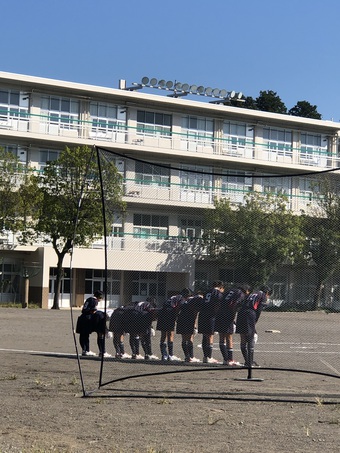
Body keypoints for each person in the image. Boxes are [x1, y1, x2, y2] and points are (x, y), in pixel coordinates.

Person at [235, 285, 272, 367]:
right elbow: (259, 310)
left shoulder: (252, 293)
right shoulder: (262, 295)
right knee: (252, 337)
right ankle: (250, 362)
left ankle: (247, 361)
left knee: (243, 337)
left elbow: (241, 303)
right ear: (267, 293)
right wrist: (255, 320)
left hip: (241, 313)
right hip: (250, 313)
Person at [215, 284, 251, 366]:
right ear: (246, 290)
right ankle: (230, 359)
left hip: (219, 313)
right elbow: (235, 304)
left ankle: (225, 359)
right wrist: (233, 316)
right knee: (229, 337)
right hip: (228, 314)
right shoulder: (240, 294)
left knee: (221, 337)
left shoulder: (229, 291)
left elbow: (220, 300)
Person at [156, 289, 191, 361]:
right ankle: (170, 355)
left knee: (163, 335)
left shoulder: (173, 297)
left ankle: (164, 355)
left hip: (162, 313)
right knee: (170, 334)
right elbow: (178, 307)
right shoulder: (182, 298)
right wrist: (176, 317)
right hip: (169, 313)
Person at [76, 290, 111, 357]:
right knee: (86, 335)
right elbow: (93, 311)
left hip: (83, 318)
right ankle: (88, 350)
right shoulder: (94, 301)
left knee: (84, 335)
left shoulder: (89, 299)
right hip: (87, 318)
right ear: (100, 297)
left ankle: (85, 350)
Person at [197, 281, 225, 364]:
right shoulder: (217, 293)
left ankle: (205, 356)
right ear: (220, 287)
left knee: (205, 336)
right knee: (210, 336)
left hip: (202, 314)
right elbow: (219, 304)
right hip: (210, 315)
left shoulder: (207, 291)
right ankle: (208, 357)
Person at [176, 291, 203, 362]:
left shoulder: (184, 300)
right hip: (189, 320)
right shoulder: (197, 300)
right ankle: (191, 356)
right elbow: (195, 312)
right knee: (190, 338)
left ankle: (187, 356)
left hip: (180, 319)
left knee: (184, 339)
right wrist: (195, 325)